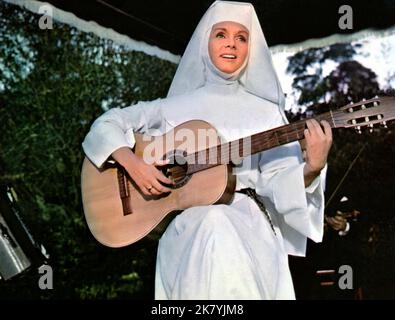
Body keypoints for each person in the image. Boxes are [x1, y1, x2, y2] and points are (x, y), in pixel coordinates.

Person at [82, 0, 332, 299]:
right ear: (205, 42)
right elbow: (106, 124)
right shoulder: (172, 107)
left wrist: (311, 169)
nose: (231, 44)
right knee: (211, 222)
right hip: (189, 227)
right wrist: (132, 163)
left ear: (251, 49)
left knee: (220, 224)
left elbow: (278, 181)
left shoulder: (266, 113)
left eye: (242, 37)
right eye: (221, 34)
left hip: (249, 225)